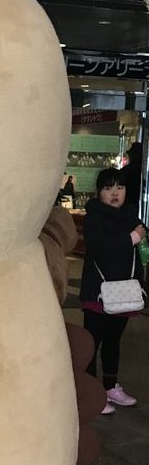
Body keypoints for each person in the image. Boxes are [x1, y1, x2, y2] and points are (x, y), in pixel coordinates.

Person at [80, 167, 145, 413]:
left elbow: (138, 256)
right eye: (108, 188)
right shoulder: (94, 217)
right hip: (98, 293)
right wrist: (133, 238)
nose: (115, 193)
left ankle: (110, 387)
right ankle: (91, 394)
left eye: (120, 187)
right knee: (91, 343)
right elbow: (102, 248)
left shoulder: (131, 217)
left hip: (124, 293)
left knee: (113, 341)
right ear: (99, 192)